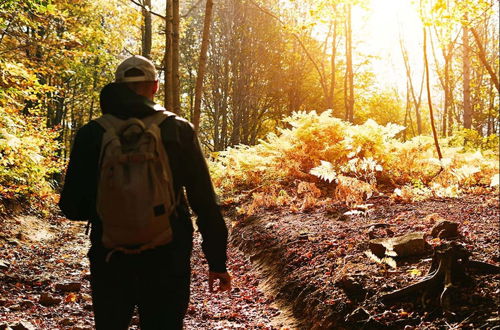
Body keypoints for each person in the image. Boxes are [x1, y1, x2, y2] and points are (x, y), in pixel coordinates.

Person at [59, 55, 231, 329]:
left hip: (110, 256)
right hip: (168, 255)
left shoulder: (92, 133)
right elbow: (205, 202)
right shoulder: (177, 129)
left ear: (116, 86)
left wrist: (115, 207)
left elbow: (71, 207)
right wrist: (217, 261)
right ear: (155, 87)